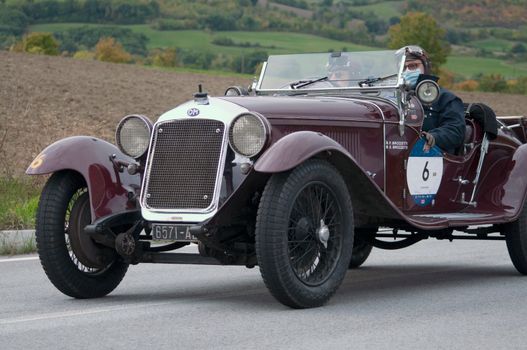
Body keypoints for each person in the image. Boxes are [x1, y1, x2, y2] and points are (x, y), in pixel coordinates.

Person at [398, 45, 465, 154]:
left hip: (435, 156)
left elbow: (455, 130)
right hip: (398, 153)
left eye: (413, 66)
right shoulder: (393, 97)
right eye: (403, 68)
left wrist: (433, 137)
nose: (407, 71)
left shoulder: (446, 98)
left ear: (426, 67)